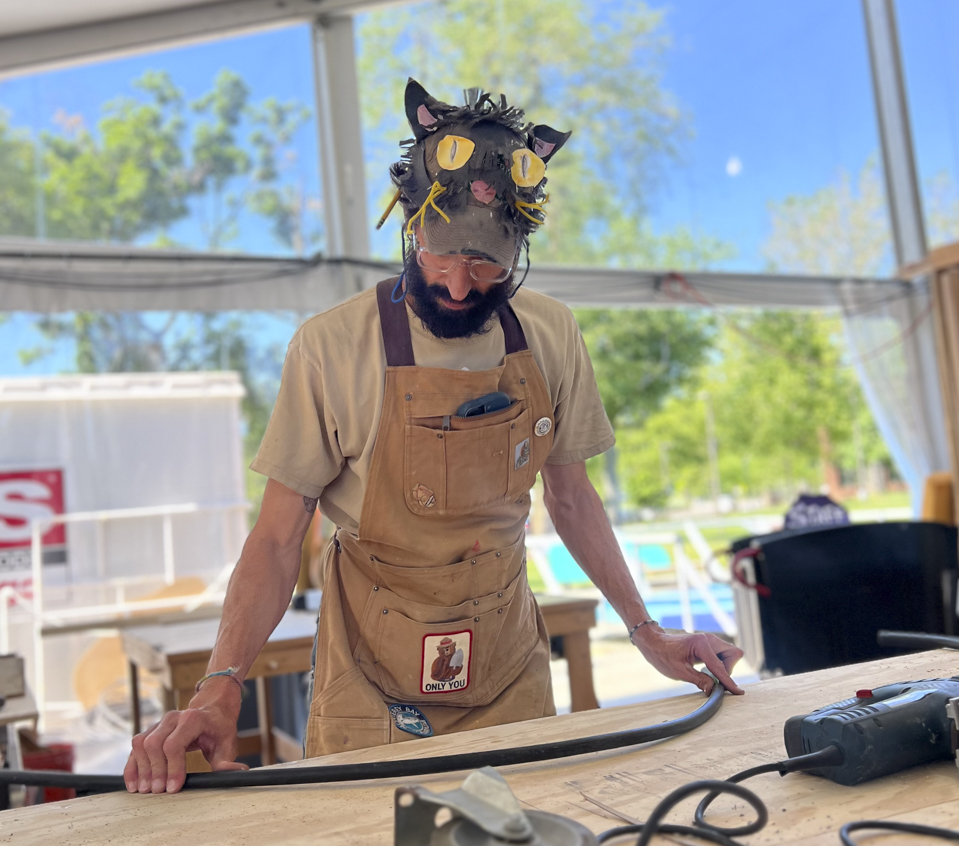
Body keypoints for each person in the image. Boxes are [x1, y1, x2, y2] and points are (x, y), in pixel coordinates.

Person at [125, 80, 743, 795]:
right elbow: (274, 537)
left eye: (485, 265)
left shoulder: (550, 335)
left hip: (507, 662)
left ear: (518, 249)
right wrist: (222, 682)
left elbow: (571, 499)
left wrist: (647, 631)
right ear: (410, 227)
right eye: (440, 254)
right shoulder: (331, 347)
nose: (456, 284)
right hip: (372, 676)